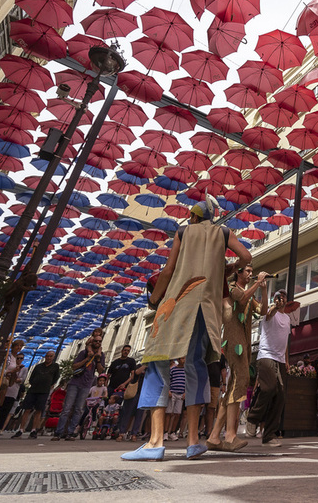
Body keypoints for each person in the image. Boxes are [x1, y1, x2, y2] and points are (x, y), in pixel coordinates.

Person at [122, 197, 251, 462]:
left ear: (193, 217)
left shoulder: (184, 231)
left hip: (179, 303)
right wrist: (227, 268)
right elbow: (246, 256)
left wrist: (155, 299)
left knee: (158, 365)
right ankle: (193, 442)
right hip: (207, 309)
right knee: (196, 366)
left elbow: (169, 271)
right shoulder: (223, 232)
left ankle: (155, 443)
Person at [207, 265, 264, 452]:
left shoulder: (249, 292)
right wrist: (257, 283)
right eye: (247, 270)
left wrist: (263, 289)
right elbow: (241, 300)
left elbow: (262, 311)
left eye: (251, 270)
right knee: (241, 380)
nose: (250, 273)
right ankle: (230, 435)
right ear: (238, 272)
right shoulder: (231, 288)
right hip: (233, 341)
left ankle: (215, 437)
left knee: (235, 384)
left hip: (245, 341)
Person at [246, 286, 294, 448]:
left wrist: (286, 360)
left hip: (280, 360)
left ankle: (269, 436)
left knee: (281, 396)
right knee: (269, 388)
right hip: (266, 356)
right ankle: (252, 417)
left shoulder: (287, 319)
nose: (282, 299)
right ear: (275, 299)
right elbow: (270, 313)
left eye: (284, 297)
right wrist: (274, 306)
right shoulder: (269, 312)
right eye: (279, 297)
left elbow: (284, 341)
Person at [53, 328, 105, 441]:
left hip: (86, 384)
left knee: (79, 409)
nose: (98, 343)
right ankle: (59, 432)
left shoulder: (100, 355)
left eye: (100, 341)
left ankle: (70, 432)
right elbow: (74, 366)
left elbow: (101, 372)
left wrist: (98, 360)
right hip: (75, 383)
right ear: (92, 340)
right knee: (67, 408)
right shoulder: (84, 352)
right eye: (96, 340)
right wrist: (87, 359)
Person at [13, 350, 59, 438]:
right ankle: (21, 429)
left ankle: (33, 430)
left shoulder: (55, 366)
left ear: (53, 357)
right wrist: (34, 383)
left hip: (44, 391)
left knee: (39, 410)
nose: (48, 358)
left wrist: (49, 386)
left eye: (50, 356)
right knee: (27, 409)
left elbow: (55, 378)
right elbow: (31, 377)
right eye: (47, 356)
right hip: (33, 390)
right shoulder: (38, 366)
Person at [164, 361, 185, 441]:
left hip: (181, 394)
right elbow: (168, 380)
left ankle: (172, 432)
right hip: (172, 392)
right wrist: (169, 390)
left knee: (177, 414)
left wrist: (185, 392)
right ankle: (165, 432)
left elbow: (187, 382)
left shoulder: (186, 370)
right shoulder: (173, 369)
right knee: (168, 413)